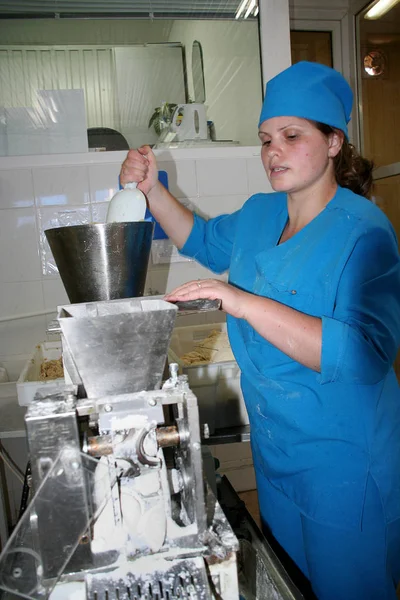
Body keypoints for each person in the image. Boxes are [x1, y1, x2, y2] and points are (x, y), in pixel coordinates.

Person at [120, 61, 400, 600]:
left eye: (293, 136)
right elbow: (200, 239)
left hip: (345, 468)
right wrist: (152, 189)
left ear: (334, 142)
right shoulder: (258, 213)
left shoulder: (365, 233)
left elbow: (364, 354)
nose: (273, 151)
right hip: (278, 458)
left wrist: (242, 302)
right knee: (288, 586)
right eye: (266, 139)